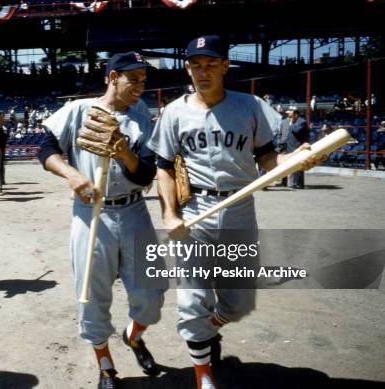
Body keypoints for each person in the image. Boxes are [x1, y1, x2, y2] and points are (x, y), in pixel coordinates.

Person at [147, 36, 324, 389]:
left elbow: (268, 160)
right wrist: (169, 213)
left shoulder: (250, 106)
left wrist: (296, 160)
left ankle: (207, 331)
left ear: (226, 67)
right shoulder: (173, 112)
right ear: (187, 68)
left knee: (238, 303)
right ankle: (204, 376)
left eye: (211, 64)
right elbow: (164, 167)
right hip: (195, 208)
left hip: (240, 206)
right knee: (192, 300)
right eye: (196, 64)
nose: (203, 71)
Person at [38, 51, 164, 389]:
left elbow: (147, 173)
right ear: (112, 77)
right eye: (133, 78)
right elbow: (44, 147)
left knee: (152, 292)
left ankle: (133, 336)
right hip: (91, 212)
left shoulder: (143, 118)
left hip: (134, 208)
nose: (140, 84)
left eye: (143, 79)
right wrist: (72, 175)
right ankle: (105, 364)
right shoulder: (79, 109)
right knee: (91, 294)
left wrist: (124, 151)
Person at [285, 107, 309, 189]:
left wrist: (291, 124)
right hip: (291, 147)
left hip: (298, 146)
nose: (288, 114)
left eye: (290, 112)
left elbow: (297, 130)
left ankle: (298, 184)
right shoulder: (294, 121)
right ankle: (294, 183)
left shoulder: (302, 121)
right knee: (293, 165)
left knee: (298, 165)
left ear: (295, 113)